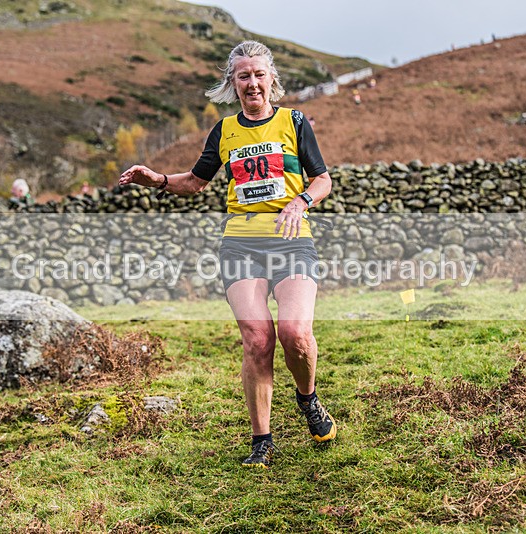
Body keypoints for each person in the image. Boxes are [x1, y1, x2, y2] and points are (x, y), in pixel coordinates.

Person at [120, 40, 336, 468]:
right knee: (258, 340)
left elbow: (322, 179)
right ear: (232, 82)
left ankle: (308, 399)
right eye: (243, 76)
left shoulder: (294, 122)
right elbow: (195, 181)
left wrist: (301, 202)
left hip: (292, 238)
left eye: (258, 74)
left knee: (295, 333)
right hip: (240, 242)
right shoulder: (224, 131)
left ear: (271, 78)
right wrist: (157, 179)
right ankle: (262, 441)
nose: (252, 82)